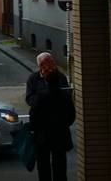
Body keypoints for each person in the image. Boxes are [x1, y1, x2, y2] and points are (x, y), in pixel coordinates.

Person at [25, 52, 75, 181]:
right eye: (47, 62)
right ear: (41, 65)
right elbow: (71, 113)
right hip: (51, 133)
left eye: (51, 62)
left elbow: (33, 116)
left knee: (55, 165)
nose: (50, 65)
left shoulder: (60, 78)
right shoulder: (33, 78)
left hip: (48, 133)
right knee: (47, 165)